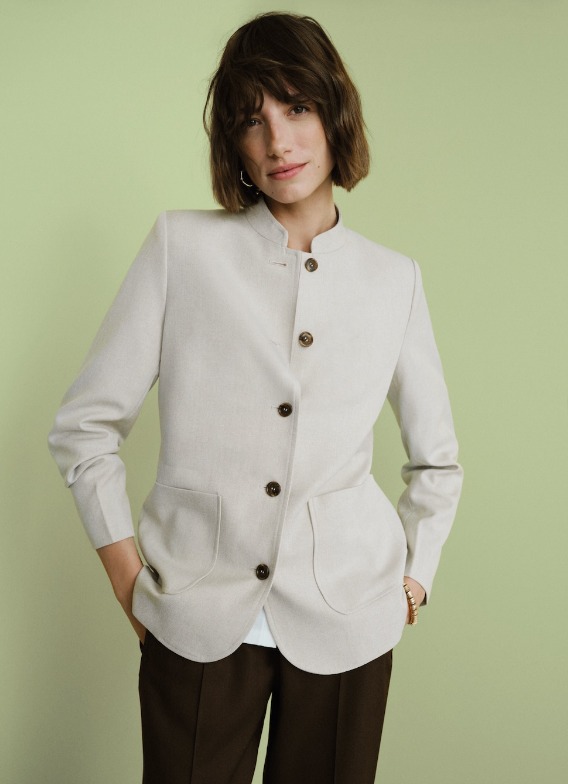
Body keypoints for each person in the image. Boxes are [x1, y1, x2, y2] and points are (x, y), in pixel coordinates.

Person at [48, 11, 463, 784]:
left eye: (296, 107)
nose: (277, 141)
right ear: (233, 144)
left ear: (334, 112)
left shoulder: (393, 280)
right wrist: (129, 581)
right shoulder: (181, 249)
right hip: (196, 614)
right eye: (251, 119)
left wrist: (415, 577)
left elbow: (437, 462)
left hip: (350, 622)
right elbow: (84, 427)